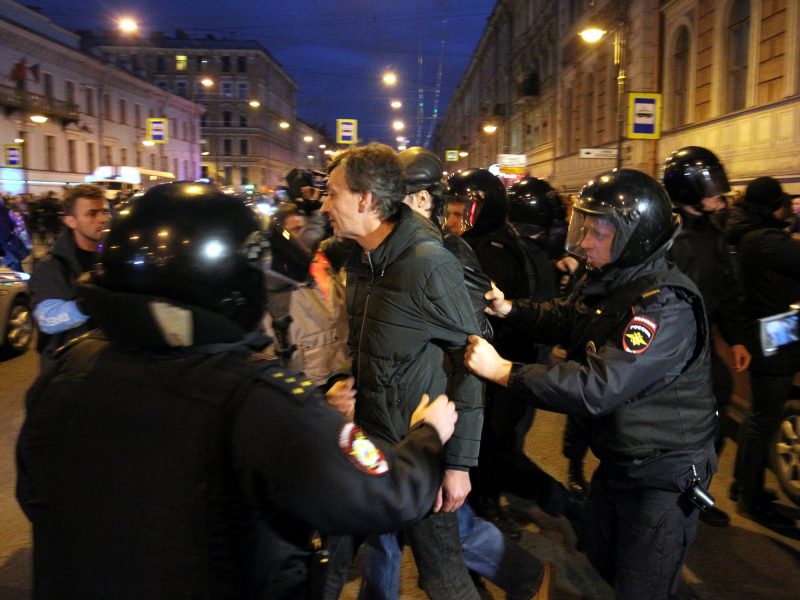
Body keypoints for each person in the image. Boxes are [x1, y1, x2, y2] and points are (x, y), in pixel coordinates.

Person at [16, 182, 459, 600]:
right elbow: (379, 498)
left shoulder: (65, 372)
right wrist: (427, 436)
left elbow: (35, 497)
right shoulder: (256, 399)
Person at [465, 169, 718, 600]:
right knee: (603, 555)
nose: (584, 241)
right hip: (623, 460)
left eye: (598, 232)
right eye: (584, 226)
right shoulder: (614, 279)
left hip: (662, 471)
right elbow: (569, 317)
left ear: (635, 236)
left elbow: (597, 386)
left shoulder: (663, 306)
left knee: (643, 584)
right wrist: (509, 309)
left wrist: (505, 371)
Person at [320, 143, 485, 600]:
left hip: (419, 452)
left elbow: (469, 362)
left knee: (443, 577)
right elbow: (362, 346)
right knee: (325, 567)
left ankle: (526, 578)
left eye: (332, 193)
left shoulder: (429, 263)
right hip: (360, 444)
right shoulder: (359, 257)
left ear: (366, 200)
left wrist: (458, 464)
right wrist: (339, 384)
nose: (323, 203)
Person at [662, 146, 752, 527]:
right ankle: (660, 502)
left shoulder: (714, 235)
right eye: (710, 185)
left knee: (710, 426)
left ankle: (694, 494)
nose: (721, 192)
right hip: (667, 351)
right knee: (665, 432)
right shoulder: (666, 235)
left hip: (700, 348)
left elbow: (728, 290)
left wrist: (736, 338)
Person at [725, 175, 800, 532]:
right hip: (775, 336)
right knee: (762, 421)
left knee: (759, 418)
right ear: (774, 206)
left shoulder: (752, 235)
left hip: (771, 332)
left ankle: (744, 485)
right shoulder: (765, 240)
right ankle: (750, 498)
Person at [28, 184, 110, 367]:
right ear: (71, 221)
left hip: (108, 363)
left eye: (105, 211)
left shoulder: (112, 257)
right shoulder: (51, 266)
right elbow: (47, 319)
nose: (103, 219)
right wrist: (86, 304)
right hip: (68, 370)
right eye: (92, 213)